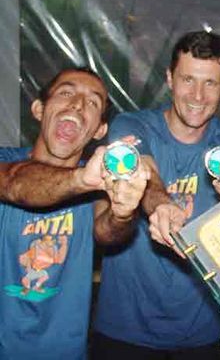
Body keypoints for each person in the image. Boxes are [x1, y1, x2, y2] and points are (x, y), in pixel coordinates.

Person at [92, 31, 220, 359]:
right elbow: (145, 169)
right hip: (123, 331)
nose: (198, 95)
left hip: (201, 334)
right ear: (170, 79)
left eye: (210, 83)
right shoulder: (133, 125)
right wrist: (161, 205)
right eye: (188, 79)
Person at [0, 67, 149, 359]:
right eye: (66, 93)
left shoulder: (98, 185)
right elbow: (14, 184)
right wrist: (80, 179)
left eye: (93, 102)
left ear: (99, 131)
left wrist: (123, 211)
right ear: (39, 109)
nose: (78, 105)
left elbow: (107, 231)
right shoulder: (6, 162)